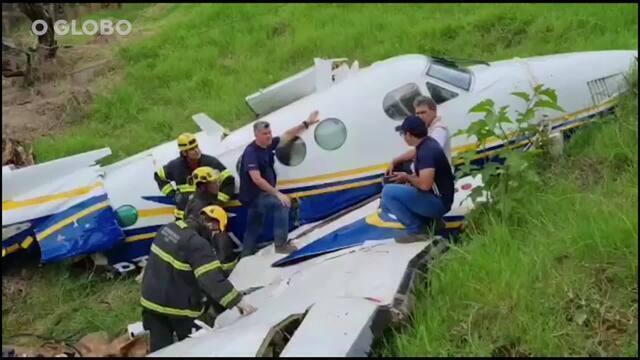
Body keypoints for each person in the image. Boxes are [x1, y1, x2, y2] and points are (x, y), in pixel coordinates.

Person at [140, 205, 257, 352]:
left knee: (161, 351)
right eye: (217, 231)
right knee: (194, 349)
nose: (216, 235)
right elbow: (212, 280)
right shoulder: (198, 245)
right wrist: (239, 302)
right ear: (212, 224)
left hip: (151, 303)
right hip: (179, 310)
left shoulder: (167, 229)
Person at [238, 110, 320, 256]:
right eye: (265, 134)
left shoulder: (267, 145)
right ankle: (280, 245)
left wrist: (306, 123)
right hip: (255, 196)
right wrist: (277, 194)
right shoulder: (251, 153)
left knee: (254, 227)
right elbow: (256, 179)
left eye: (269, 132)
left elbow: (287, 135)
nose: (269, 136)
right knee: (281, 204)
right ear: (256, 135)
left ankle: (246, 254)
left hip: (258, 196)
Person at [381, 115, 455, 243]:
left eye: (403, 134)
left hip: (439, 203)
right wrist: (395, 161)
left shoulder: (426, 153)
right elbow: (413, 152)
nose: (403, 137)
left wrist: (407, 177)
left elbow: (425, 185)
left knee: (388, 192)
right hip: (441, 198)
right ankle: (431, 222)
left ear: (408, 135)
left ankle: (416, 230)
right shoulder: (427, 143)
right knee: (385, 204)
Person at [154, 132, 235, 220]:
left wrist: (218, 202)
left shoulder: (210, 162)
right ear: (184, 153)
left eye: (197, 147)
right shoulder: (176, 166)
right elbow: (158, 176)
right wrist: (173, 194)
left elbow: (228, 180)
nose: (196, 151)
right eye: (192, 149)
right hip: (182, 217)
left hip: (206, 216)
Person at [184, 166, 238, 273]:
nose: (218, 185)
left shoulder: (206, 199)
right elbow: (211, 237)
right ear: (203, 186)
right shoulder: (200, 207)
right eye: (214, 182)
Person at [385, 96, 451, 176]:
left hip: (437, 178)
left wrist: (395, 161)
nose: (420, 116)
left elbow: (427, 151)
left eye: (423, 112)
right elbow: (414, 150)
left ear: (434, 111)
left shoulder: (439, 129)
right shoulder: (426, 128)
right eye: (417, 113)